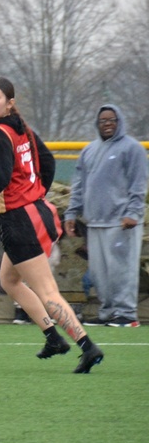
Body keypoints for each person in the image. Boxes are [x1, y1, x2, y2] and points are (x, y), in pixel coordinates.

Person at [0, 76, 104, 374]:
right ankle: (53, 338)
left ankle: (87, 346)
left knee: (47, 291)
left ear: (9, 103)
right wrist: (34, 195)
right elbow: (48, 163)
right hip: (37, 213)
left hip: (19, 221)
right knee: (9, 281)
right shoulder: (21, 128)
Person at [63, 104, 147, 328]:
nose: (107, 124)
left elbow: (139, 184)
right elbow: (78, 186)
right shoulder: (89, 150)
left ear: (120, 121)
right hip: (95, 223)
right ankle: (108, 313)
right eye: (103, 121)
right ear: (97, 124)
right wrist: (71, 213)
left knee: (122, 270)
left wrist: (133, 213)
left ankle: (127, 315)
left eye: (112, 120)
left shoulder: (133, 148)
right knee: (100, 274)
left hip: (121, 223)